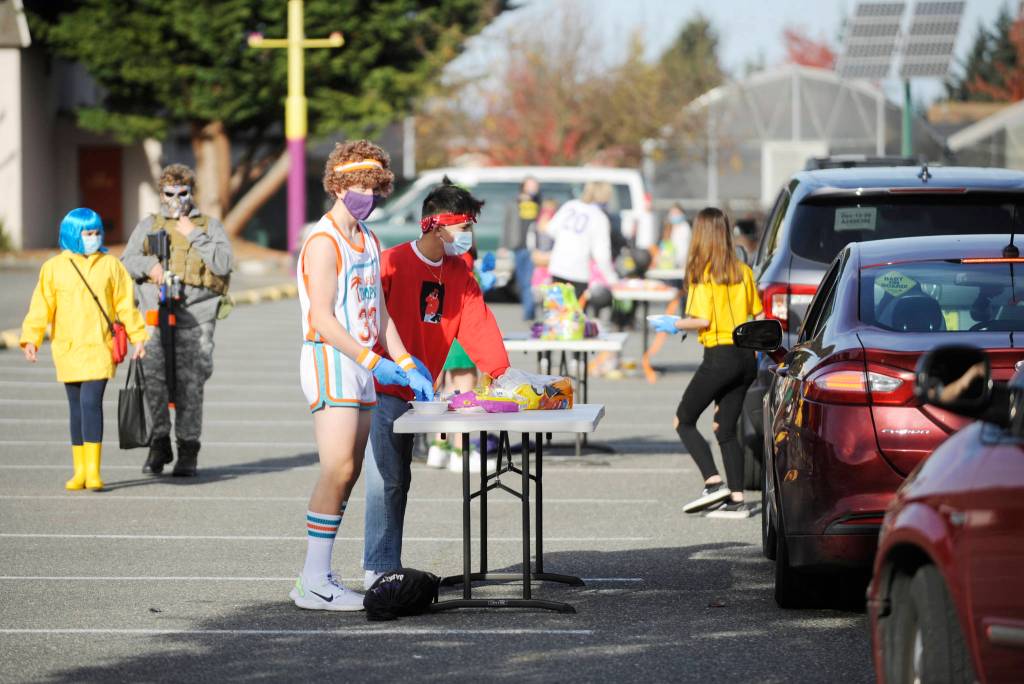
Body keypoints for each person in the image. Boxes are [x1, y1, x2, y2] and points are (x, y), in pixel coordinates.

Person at [291, 140, 433, 611]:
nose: (365, 194)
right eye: (356, 184)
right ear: (336, 183)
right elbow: (324, 320)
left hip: (365, 363)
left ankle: (319, 575)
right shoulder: (323, 240)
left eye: (374, 186)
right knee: (339, 468)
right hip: (331, 359)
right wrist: (376, 362)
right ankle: (313, 579)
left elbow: (383, 313)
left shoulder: (369, 239)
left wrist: (406, 361)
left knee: (349, 474)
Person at [363, 177, 511, 589]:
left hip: (422, 394)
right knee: (385, 481)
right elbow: (363, 322)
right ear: (436, 225)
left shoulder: (459, 273)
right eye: (465, 228)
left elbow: (478, 323)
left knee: (402, 480)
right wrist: (376, 366)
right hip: (383, 387)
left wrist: (503, 374)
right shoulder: (391, 263)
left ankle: (388, 565)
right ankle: (378, 569)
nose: (468, 238)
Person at [20, 208, 147, 491]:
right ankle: (79, 471)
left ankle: (93, 471)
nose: (93, 238)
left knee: (91, 403)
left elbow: (126, 304)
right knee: (76, 409)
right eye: (86, 233)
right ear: (72, 235)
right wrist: (31, 338)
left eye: (96, 232)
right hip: (67, 348)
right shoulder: (53, 268)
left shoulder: (111, 266)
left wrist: (139, 337)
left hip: (100, 346)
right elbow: (41, 306)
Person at [649, 208, 764, 519]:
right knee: (724, 428)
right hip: (745, 358)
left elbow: (703, 319)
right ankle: (737, 498)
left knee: (683, 421)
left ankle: (713, 483)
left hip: (719, 357)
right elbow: (756, 312)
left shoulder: (702, 275)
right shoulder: (744, 271)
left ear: (700, 237)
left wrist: (676, 323)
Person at [122, 164, 233, 477]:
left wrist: (193, 234)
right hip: (156, 315)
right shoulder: (149, 224)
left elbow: (224, 263)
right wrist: (150, 267)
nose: (176, 199)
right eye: (169, 193)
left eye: (182, 193)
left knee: (191, 382)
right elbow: (126, 261)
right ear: (161, 194)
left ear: (191, 193)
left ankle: (188, 448)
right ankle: (159, 442)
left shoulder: (209, 226)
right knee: (153, 380)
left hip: (195, 315)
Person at [547, 181, 619, 299]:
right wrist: (612, 278)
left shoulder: (570, 205)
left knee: (556, 311)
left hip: (557, 266)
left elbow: (551, 229)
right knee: (575, 314)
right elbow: (601, 254)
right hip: (578, 271)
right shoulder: (599, 217)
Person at [503, 177, 541, 320]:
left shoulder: (539, 203)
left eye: (535, 185)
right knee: (521, 280)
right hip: (518, 246)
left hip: (534, 248)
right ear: (523, 186)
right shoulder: (514, 203)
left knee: (530, 280)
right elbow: (507, 225)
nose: (534, 188)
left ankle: (529, 312)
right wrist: (504, 245)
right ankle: (528, 310)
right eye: (531, 185)